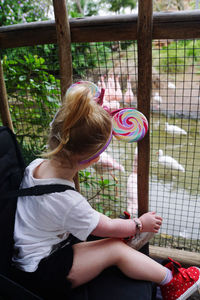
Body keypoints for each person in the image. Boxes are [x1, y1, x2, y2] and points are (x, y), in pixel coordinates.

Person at [12, 82, 200, 300]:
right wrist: (140, 224)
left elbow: (84, 218)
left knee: (113, 239)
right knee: (115, 249)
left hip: (29, 258)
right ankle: (173, 282)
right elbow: (107, 226)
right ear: (92, 159)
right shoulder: (68, 201)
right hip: (43, 272)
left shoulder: (34, 166)